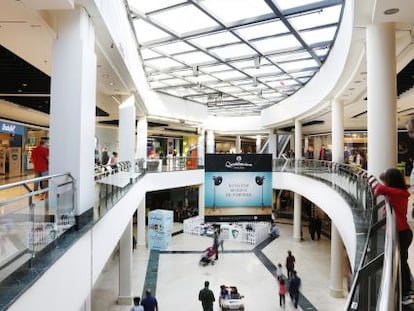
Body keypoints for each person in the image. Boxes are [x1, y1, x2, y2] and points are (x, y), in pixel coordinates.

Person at [374, 168, 413, 305]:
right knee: (402, 261)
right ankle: (408, 290)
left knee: (400, 263)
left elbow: (378, 188)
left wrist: (384, 181)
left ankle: (405, 295)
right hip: (403, 232)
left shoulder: (396, 193)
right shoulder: (399, 192)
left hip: (401, 233)